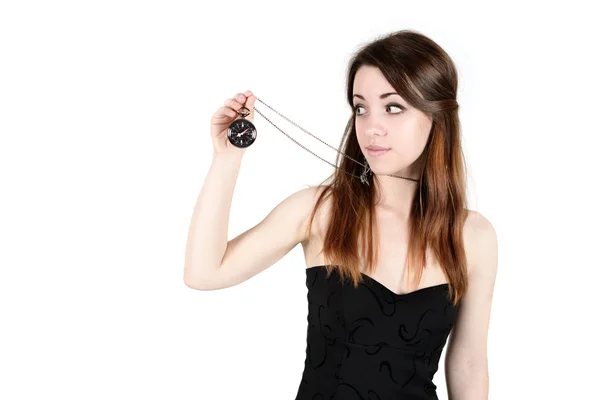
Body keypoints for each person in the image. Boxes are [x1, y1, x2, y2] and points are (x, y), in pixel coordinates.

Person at [184, 29, 498, 400]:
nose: (371, 127)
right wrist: (227, 158)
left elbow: (469, 363)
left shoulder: (472, 235)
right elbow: (203, 273)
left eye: (393, 106)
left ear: (436, 116)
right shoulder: (320, 211)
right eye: (360, 107)